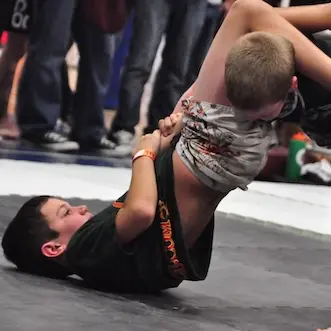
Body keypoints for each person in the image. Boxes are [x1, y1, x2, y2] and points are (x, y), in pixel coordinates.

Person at [3, 0, 331, 293]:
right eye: (66, 213)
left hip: (217, 160)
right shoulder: (85, 248)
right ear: (53, 248)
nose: (80, 208)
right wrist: (144, 152)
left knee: (266, 41)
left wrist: (167, 138)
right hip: (207, 151)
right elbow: (142, 211)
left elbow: (156, 217)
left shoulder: (107, 264)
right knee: (246, 13)